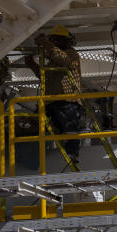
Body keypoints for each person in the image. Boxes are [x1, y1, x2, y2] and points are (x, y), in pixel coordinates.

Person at [24, 24, 84, 163]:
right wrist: (32, 64)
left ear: (68, 41)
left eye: (58, 40)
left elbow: (64, 60)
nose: (55, 43)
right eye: (53, 40)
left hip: (68, 100)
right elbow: (47, 77)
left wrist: (45, 43)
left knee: (70, 128)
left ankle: (72, 153)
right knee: (36, 123)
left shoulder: (71, 54)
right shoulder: (52, 61)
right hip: (51, 101)